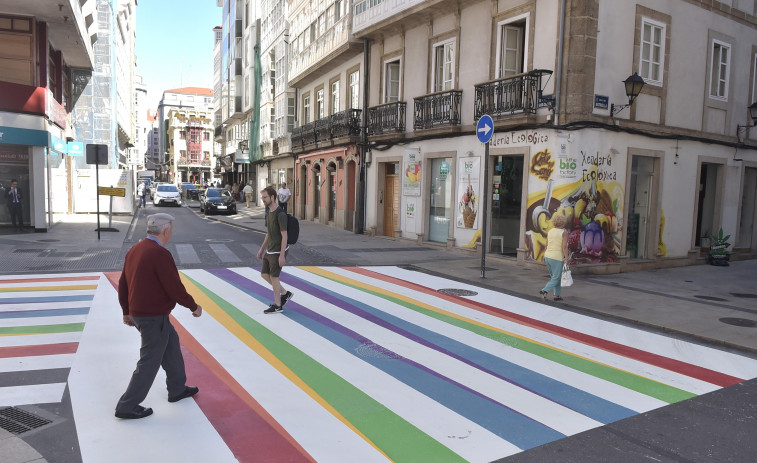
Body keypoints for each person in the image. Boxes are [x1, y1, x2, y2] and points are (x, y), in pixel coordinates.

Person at [115, 213, 203, 419]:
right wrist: (193, 306)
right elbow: (175, 288)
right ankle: (127, 405)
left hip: (143, 314)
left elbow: (124, 283)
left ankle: (177, 388)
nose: (171, 232)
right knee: (149, 361)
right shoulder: (160, 254)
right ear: (165, 231)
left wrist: (126, 311)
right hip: (152, 316)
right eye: (171, 228)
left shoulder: (135, 249)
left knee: (171, 344)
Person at [256, 186, 293, 314]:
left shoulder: (280, 214)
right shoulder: (268, 212)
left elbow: (285, 235)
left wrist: (282, 255)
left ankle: (278, 305)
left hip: (278, 251)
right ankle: (284, 293)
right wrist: (261, 249)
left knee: (274, 277)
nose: (263, 199)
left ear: (272, 197)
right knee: (264, 274)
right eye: (262, 197)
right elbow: (268, 233)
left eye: (265, 197)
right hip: (270, 250)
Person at [539, 214, 569, 302]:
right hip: (557, 257)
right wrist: (566, 258)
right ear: (563, 222)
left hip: (548, 255)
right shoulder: (564, 232)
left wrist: (546, 254)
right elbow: (564, 247)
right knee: (556, 277)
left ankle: (557, 295)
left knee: (555, 277)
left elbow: (546, 245)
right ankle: (544, 290)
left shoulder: (550, 231)